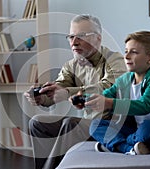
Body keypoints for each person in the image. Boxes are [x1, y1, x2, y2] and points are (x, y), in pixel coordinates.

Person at [24, 14, 128, 169]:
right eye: (71, 36)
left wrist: (67, 92)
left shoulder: (115, 59)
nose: (74, 42)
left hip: (111, 125)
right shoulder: (71, 65)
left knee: (71, 123)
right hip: (88, 124)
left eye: (81, 36)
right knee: (38, 122)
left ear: (98, 38)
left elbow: (108, 87)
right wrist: (42, 97)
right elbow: (58, 89)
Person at [86, 30, 150, 155]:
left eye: (133, 52)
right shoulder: (125, 80)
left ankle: (115, 144)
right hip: (136, 131)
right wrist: (86, 100)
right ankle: (128, 149)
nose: (126, 56)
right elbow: (105, 96)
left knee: (148, 128)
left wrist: (110, 103)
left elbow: (145, 106)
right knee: (96, 125)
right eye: (126, 51)